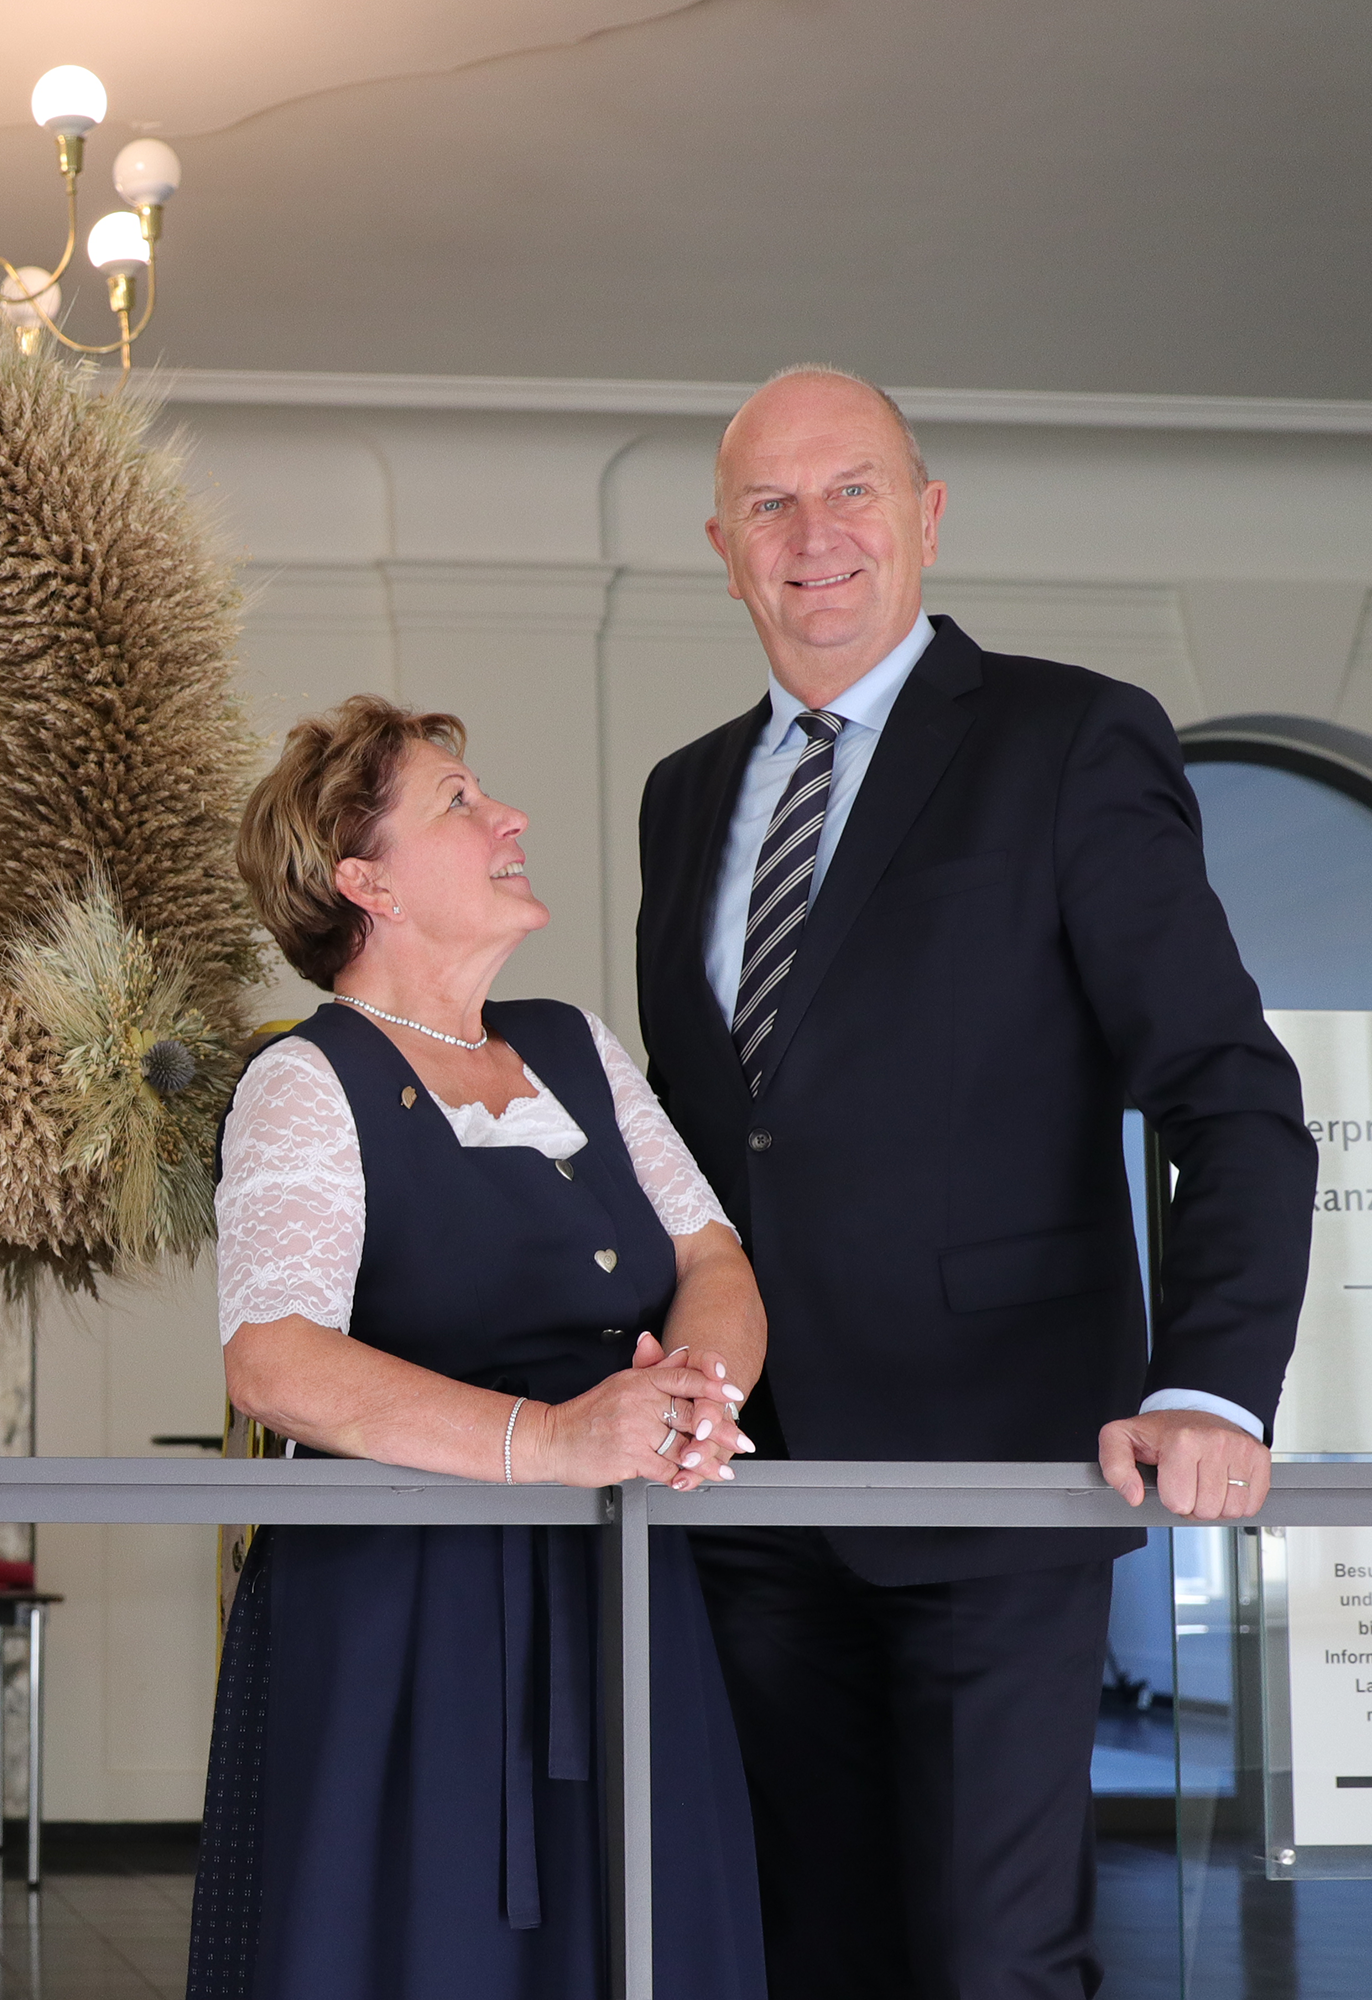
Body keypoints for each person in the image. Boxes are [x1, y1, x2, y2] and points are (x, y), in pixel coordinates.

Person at [633, 366, 1314, 1997]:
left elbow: (1228, 1090)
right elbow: (699, 1143)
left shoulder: (1069, 740)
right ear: (723, 547)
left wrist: (1213, 1387)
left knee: (993, 1960)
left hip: (996, 1470)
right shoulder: (682, 795)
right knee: (804, 1950)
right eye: (773, 506)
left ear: (927, 518)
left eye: (853, 490)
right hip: (744, 1494)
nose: (816, 537)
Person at [187, 695, 768, 1999]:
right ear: (364, 878)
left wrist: (693, 1399)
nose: (507, 818)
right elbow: (273, 1361)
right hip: (407, 1624)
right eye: (459, 801)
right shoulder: (304, 1081)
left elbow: (713, 1262)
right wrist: (554, 1439)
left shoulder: (573, 1046)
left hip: (620, 1592)